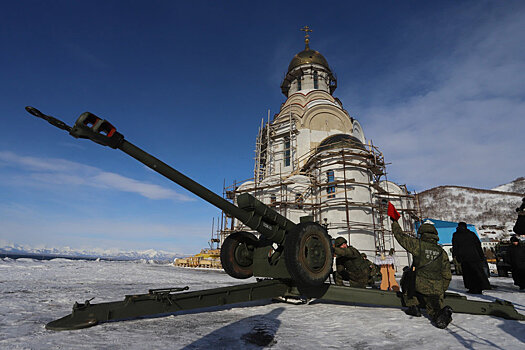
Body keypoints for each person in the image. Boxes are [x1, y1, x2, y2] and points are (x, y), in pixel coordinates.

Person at [390, 212, 452, 329]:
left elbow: (401, 237)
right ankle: (439, 315)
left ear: (422, 234)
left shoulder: (418, 245)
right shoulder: (441, 252)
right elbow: (447, 274)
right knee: (433, 306)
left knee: (408, 275)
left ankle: (413, 306)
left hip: (420, 284)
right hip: (437, 287)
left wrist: (394, 222)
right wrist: (441, 290)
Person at [452, 222, 491, 294]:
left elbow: (455, 246)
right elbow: (478, 245)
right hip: (475, 256)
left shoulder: (456, 235)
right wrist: (481, 255)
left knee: (468, 274)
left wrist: (455, 256)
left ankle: (472, 288)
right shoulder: (471, 234)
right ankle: (480, 288)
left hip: (464, 257)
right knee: (477, 273)